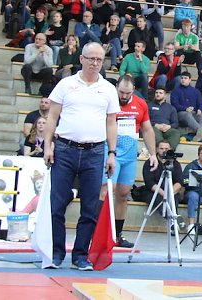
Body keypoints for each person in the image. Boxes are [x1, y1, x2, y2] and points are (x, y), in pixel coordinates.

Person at [42, 42, 119, 270]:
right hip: (64, 149)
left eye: (99, 60)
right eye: (91, 59)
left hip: (94, 152)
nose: (95, 63)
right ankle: (56, 253)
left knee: (89, 207)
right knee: (57, 203)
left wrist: (112, 153)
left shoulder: (108, 89)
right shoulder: (66, 84)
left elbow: (111, 122)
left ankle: (80, 255)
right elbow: (52, 117)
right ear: (82, 59)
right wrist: (48, 145)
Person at [103, 75, 158, 247]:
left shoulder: (141, 104)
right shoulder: (109, 102)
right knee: (106, 191)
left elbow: (147, 130)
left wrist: (153, 153)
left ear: (133, 90)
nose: (124, 96)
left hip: (129, 154)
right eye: (121, 92)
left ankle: (118, 235)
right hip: (110, 151)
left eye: (128, 93)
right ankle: (98, 232)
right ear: (116, 88)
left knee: (123, 193)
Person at [142, 140, 185, 219]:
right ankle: (174, 220)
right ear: (157, 149)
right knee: (157, 198)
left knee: (174, 199)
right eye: (161, 148)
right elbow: (149, 183)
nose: (164, 151)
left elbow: (179, 181)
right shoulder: (150, 163)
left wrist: (170, 194)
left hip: (171, 192)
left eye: (166, 148)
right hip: (154, 192)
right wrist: (164, 194)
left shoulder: (175, 163)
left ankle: (174, 221)